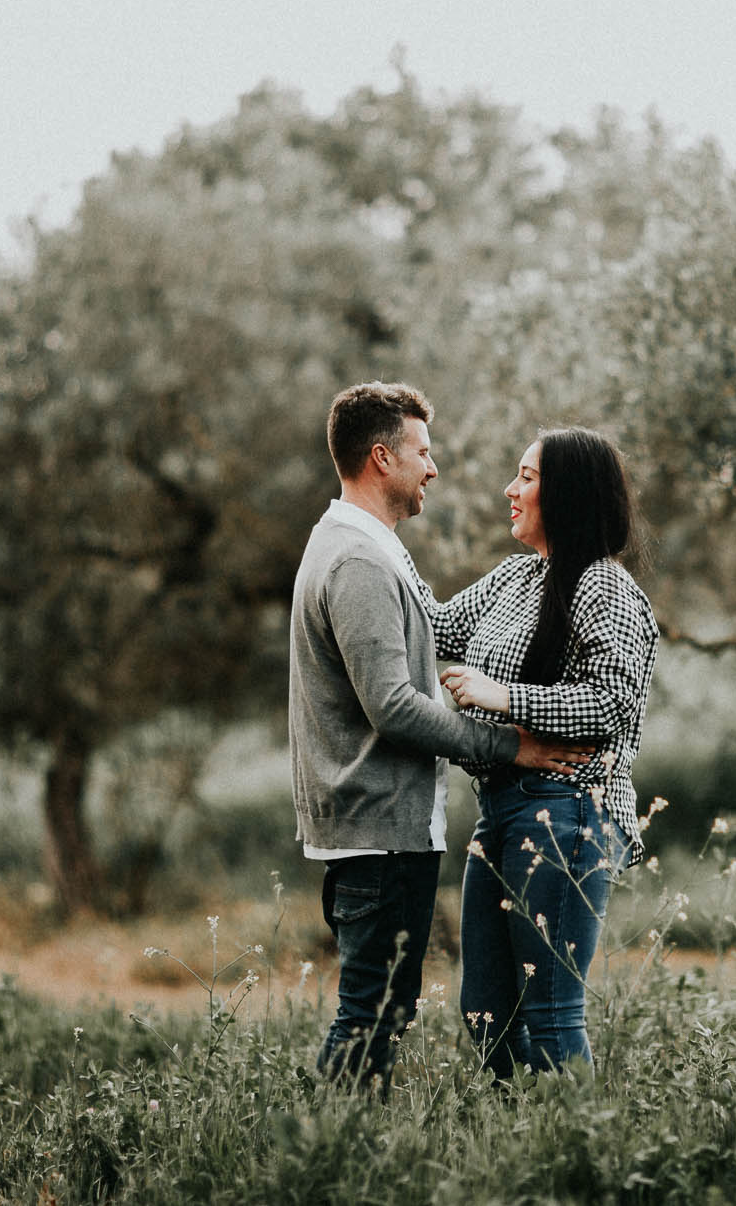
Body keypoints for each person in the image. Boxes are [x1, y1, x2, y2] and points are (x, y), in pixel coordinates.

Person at [289, 382, 587, 1095]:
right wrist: (509, 744)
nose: (436, 466)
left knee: (378, 1011)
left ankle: (333, 1152)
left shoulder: (363, 547)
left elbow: (435, 635)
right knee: (370, 1016)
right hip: (379, 829)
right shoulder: (358, 560)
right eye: (423, 451)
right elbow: (393, 706)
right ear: (382, 457)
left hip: (376, 827)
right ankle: (324, 1156)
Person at [430, 427, 659, 1079]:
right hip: (500, 812)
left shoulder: (601, 586)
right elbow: (437, 623)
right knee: (485, 1015)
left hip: (567, 810)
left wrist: (503, 696)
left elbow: (612, 703)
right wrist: (372, 538)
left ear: (566, 493)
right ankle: (516, 1159)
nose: (511, 488)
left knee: (552, 1016)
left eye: (526, 476)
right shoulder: (519, 574)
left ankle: (580, 1165)